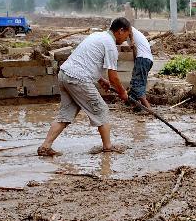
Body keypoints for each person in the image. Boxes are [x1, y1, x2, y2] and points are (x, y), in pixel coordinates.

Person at [38, 18, 132, 156]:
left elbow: (85, 60)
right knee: (102, 110)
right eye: (127, 35)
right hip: (78, 79)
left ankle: (45, 147)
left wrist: (100, 80)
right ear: (120, 31)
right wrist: (122, 92)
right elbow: (114, 77)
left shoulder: (97, 36)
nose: (126, 39)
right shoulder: (110, 45)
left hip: (65, 74)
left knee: (65, 115)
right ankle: (108, 148)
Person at [127, 26, 154, 110]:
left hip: (142, 59)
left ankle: (149, 109)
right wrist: (136, 65)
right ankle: (138, 107)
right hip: (146, 60)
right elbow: (134, 49)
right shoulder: (134, 35)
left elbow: (128, 27)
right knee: (137, 85)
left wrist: (131, 41)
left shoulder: (128, 28)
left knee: (137, 85)